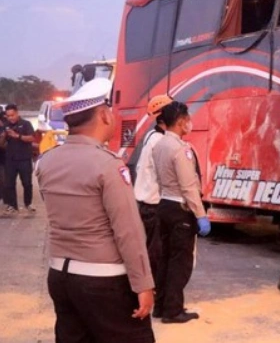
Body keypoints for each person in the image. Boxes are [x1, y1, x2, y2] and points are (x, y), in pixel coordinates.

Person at [36, 78, 155, 343]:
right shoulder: (109, 166)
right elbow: (129, 232)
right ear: (103, 114)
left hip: (60, 276)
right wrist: (143, 284)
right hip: (104, 281)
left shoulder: (47, 162)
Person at [151, 100, 210, 324]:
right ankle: (173, 311)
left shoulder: (159, 145)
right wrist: (200, 214)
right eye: (188, 120)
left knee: (165, 258)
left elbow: (159, 178)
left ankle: (161, 305)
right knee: (180, 262)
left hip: (164, 204)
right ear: (182, 121)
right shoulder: (180, 149)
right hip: (180, 209)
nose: (190, 124)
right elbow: (188, 186)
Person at [134, 94, 173, 282]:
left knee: (151, 248)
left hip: (145, 202)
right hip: (153, 204)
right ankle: (152, 289)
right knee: (155, 251)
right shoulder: (160, 141)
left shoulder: (153, 135)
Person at [4, 104, 36, 215]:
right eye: (8, 116)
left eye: (12, 115)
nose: (10, 118)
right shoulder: (5, 125)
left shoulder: (26, 124)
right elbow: (2, 144)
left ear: (17, 113)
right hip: (10, 159)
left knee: (27, 183)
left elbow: (32, 138)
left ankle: (28, 204)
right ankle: (12, 206)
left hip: (24, 159)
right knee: (9, 184)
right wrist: (4, 135)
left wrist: (17, 136)